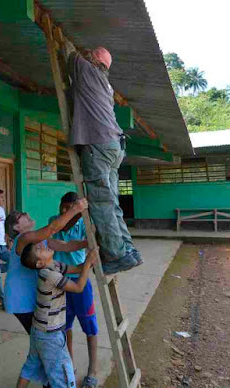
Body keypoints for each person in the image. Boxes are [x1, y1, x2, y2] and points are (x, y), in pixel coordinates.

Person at [66, 44, 143, 275]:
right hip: (114, 146)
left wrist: (82, 54)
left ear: (94, 61)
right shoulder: (106, 85)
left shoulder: (88, 71)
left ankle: (116, 255)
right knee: (112, 202)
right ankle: (128, 251)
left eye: (91, 54)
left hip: (98, 145)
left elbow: (71, 57)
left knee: (101, 201)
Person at [16, 240, 97, 388]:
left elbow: (78, 269)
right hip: (50, 335)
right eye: (39, 249)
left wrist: (89, 261)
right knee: (63, 380)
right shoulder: (50, 275)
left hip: (38, 330)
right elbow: (78, 287)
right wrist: (87, 264)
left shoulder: (54, 265)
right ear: (40, 263)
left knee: (31, 366)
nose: (42, 245)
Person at [3, 200, 88, 334]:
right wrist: (76, 209)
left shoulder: (38, 240)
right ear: (16, 228)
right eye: (20, 216)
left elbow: (66, 246)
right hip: (21, 298)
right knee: (42, 337)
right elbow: (52, 229)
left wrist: (87, 243)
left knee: (40, 338)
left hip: (30, 296)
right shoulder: (22, 239)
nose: (26, 213)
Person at [48, 192, 98, 388]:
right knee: (65, 325)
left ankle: (92, 370)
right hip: (60, 280)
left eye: (70, 209)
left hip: (80, 279)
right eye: (63, 208)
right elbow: (65, 243)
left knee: (89, 325)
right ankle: (69, 365)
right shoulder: (55, 221)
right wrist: (86, 242)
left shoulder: (85, 224)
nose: (65, 212)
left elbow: (93, 246)